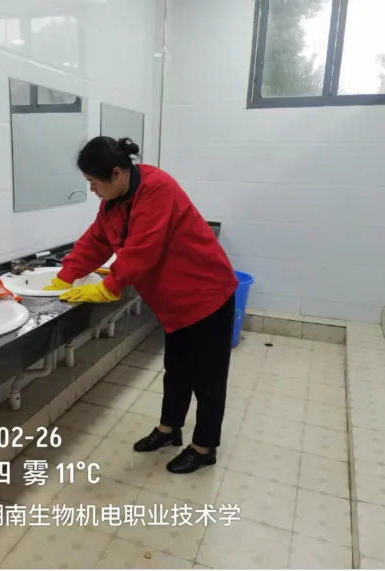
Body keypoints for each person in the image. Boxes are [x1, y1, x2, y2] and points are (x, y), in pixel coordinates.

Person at [44, 136, 239, 474]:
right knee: (177, 369)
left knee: (207, 377)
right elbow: (97, 240)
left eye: (94, 182)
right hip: (173, 302)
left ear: (116, 173)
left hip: (206, 293)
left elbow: (143, 249)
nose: (92, 190)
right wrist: (66, 275)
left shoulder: (157, 188)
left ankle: (204, 446)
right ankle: (169, 429)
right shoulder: (115, 201)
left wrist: (108, 287)